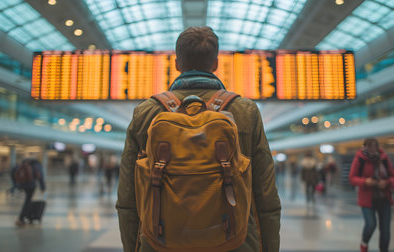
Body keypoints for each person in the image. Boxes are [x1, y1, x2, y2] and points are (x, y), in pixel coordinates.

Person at [116, 26, 281, 252]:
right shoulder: (245, 111)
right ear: (215, 64)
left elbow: (128, 199)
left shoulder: (146, 112)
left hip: (160, 242)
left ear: (176, 64)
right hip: (235, 242)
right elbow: (265, 196)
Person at [349, 138, 394, 252]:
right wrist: (365, 181)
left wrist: (387, 183)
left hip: (384, 197)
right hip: (367, 198)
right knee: (371, 224)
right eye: (368, 146)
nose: (371, 149)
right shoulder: (359, 159)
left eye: (374, 146)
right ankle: (364, 243)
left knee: (385, 229)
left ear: (377, 147)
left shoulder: (384, 159)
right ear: (364, 147)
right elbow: (352, 178)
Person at [15, 158, 46, 226]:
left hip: (23, 185)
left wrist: (18, 185)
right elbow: (40, 176)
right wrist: (42, 188)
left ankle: (24, 217)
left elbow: (14, 173)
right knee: (27, 201)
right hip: (31, 185)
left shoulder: (22, 164)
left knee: (27, 201)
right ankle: (21, 218)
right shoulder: (36, 165)